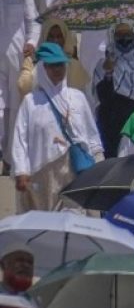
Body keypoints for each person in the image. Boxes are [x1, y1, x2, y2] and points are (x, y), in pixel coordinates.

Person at [12, 42, 103, 212]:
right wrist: (21, 170)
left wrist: (98, 163)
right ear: (41, 68)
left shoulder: (78, 98)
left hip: (74, 169)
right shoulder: (30, 102)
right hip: (40, 172)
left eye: (60, 65)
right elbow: (20, 138)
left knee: (72, 218)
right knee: (40, 222)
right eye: (51, 66)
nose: (57, 70)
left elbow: (91, 134)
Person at [93, 19, 134, 158]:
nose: (124, 38)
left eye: (127, 34)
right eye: (119, 34)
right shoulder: (104, 63)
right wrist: (108, 74)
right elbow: (102, 99)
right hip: (113, 126)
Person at [0, 0, 41, 158]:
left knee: (15, 108)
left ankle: (10, 158)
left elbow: (34, 22)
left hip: (17, 57)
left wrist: (31, 43)